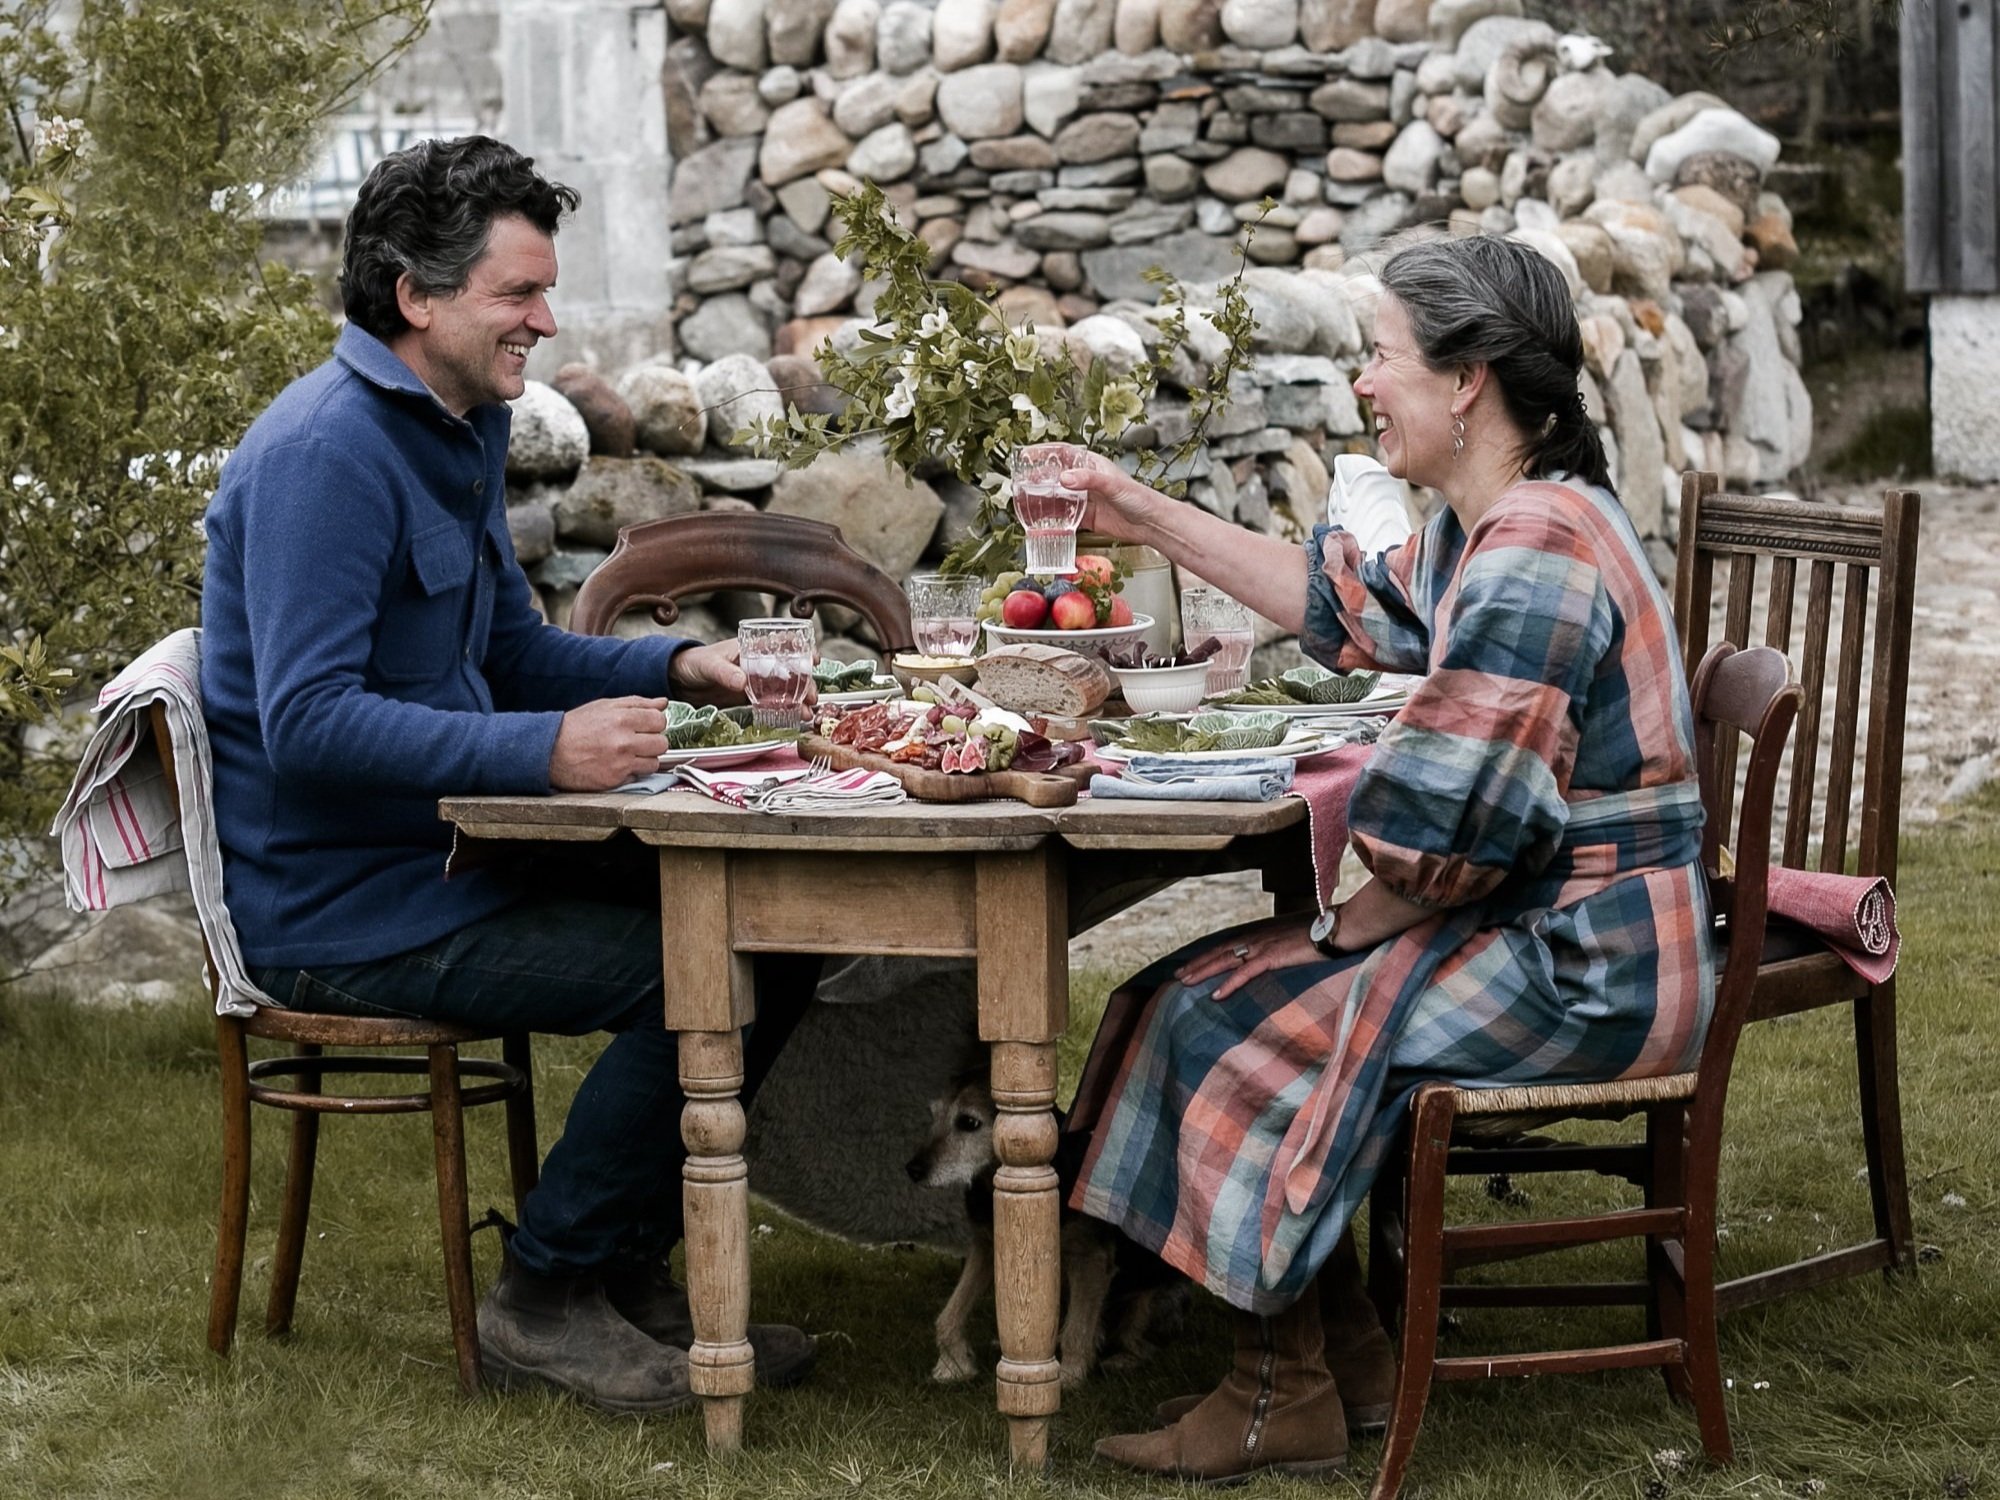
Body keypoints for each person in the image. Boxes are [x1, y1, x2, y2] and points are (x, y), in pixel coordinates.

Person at [1044, 234, 1714, 1482]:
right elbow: (1335, 604)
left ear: (1464, 381)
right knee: (1183, 994)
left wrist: (1341, 931)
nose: (1362, 384)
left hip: (1592, 969)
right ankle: (1335, 1351)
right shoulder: (1494, 528)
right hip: (1564, 930)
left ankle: (1269, 1390)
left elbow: (1451, 832)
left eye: (1379, 358)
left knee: (1218, 1014)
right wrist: (1130, 508)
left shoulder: (1535, 548)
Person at [200, 136, 817, 1414]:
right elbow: (308, 722)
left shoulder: (461, 426)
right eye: (517, 295)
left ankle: (611, 1261)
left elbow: (503, 648)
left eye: (544, 291)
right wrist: (538, 752)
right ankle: (544, 1294)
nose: (545, 320)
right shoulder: (325, 455)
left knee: (770, 928)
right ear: (414, 296)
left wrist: (659, 672)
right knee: (704, 963)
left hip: (457, 864)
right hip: (346, 913)